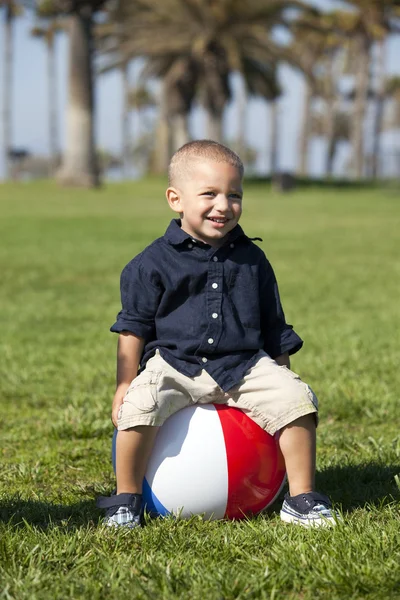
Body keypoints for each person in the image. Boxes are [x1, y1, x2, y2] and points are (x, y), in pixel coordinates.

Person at [97, 140, 338, 529]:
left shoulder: (253, 259)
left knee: (298, 402)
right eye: (209, 194)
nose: (223, 206)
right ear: (175, 199)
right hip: (176, 365)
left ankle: (302, 497)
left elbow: (274, 326)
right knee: (136, 410)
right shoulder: (150, 263)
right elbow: (133, 326)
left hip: (244, 364)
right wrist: (125, 384)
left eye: (234, 195)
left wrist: (284, 373)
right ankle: (126, 499)